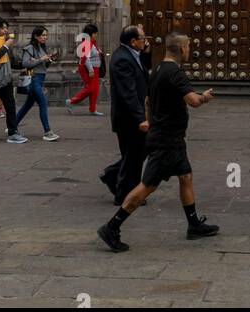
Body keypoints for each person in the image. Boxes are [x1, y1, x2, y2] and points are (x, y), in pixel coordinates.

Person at [97, 32, 218, 252]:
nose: (190, 50)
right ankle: (111, 227)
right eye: (188, 46)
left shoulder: (157, 69)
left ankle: (193, 224)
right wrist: (205, 97)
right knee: (147, 186)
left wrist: (149, 121)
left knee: (186, 176)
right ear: (181, 49)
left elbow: (147, 100)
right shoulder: (176, 73)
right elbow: (193, 101)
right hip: (167, 139)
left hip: (167, 136)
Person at [101, 25, 151, 205]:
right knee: (135, 153)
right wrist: (141, 118)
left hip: (132, 115)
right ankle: (123, 194)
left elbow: (142, 76)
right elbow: (127, 93)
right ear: (133, 41)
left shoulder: (131, 55)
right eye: (143, 38)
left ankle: (114, 176)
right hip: (128, 118)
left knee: (136, 153)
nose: (145, 41)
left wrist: (145, 53)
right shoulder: (122, 59)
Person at [15, 25, 60, 141]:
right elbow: (25, 63)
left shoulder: (42, 48)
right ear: (36, 36)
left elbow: (43, 65)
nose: (45, 37)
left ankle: (12, 125)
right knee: (43, 103)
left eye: (46, 35)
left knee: (28, 104)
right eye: (43, 35)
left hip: (40, 78)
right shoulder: (30, 48)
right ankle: (47, 132)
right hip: (33, 79)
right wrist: (41, 59)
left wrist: (49, 59)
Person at [66, 22, 104, 115]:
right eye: (95, 33)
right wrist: (91, 70)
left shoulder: (92, 43)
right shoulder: (87, 43)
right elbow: (85, 58)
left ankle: (92, 109)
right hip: (89, 69)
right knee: (90, 89)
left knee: (95, 90)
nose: (96, 35)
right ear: (90, 34)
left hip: (95, 69)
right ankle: (71, 101)